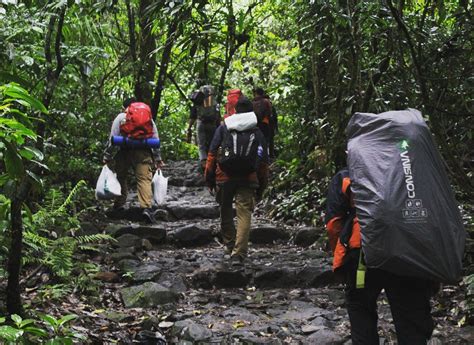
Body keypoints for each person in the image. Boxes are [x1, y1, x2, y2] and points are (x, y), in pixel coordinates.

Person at [325, 167, 436, 345]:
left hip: (362, 253)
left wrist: (341, 255)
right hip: (408, 250)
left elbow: (333, 224)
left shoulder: (348, 175)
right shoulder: (414, 171)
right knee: (410, 314)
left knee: (360, 307)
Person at [204, 97, 269, 264]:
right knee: (244, 214)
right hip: (248, 177)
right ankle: (239, 253)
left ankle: (230, 243)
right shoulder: (257, 130)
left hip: (224, 176)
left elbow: (212, 153)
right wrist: (262, 184)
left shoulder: (225, 126)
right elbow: (263, 161)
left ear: (235, 110)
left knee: (225, 210)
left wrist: (209, 178)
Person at [103, 97, 163, 223]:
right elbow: (155, 138)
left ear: (125, 107)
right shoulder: (148, 117)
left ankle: (119, 205)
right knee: (144, 179)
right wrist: (158, 158)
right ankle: (146, 208)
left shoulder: (120, 117)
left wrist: (107, 156)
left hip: (124, 151)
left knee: (121, 177)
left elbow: (112, 138)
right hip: (143, 152)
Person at [186, 85, 220, 172]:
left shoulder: (198, 101)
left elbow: (192, 116)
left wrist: (189, 128)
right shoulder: (215, 102)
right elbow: (218, 117)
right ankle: (212, 163)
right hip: (213, 125)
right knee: (212, 144)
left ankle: (204, 164)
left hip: (201, 124)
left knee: (201, 145)